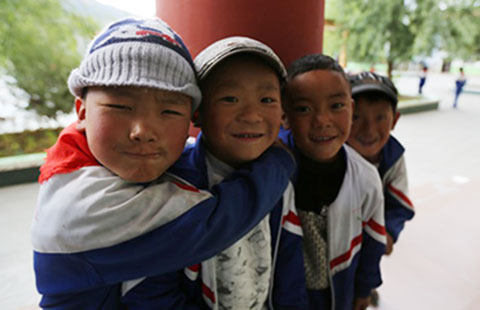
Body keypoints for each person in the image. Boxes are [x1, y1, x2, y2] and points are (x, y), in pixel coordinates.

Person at [31, 18, 298, 309]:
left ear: (188, 121)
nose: (143, 131)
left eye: (169, 111)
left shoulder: (89, 164)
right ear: (81, 112)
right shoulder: (83, 203)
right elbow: (213, 224)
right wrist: (280, 161)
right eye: (121, 106)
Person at [122, 36, 308, 310]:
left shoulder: (280, 183)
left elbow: (290, 267)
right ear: (196, 114)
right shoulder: (171, 185)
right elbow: (149, 291)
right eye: (230, 98)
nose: (252, 115)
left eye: (266, 99)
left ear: (282, 113)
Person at [279, 54, 386, 310]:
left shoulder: (366, 178)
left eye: (336, 106)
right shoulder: (273, 172)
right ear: (285, 117)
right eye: (304, 109)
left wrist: (364, 290)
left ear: (351, 108)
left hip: (339, 290)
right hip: (284, 292)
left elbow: (373, 243)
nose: (322, 121)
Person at [347, 71, 415, 305]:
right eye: (356, 117)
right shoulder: (333, 150)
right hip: (340, 230)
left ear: (394, 120)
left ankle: (366, 288)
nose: (368, 129)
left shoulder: (393, 157)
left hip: (372, 229)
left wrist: (390, 233)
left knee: (372, 253)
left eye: (380, 118)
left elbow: (400, 205)